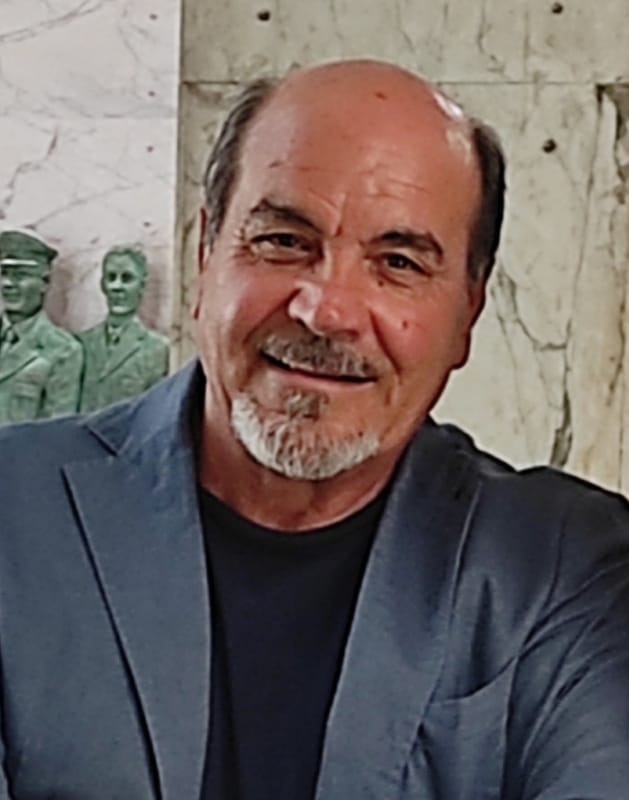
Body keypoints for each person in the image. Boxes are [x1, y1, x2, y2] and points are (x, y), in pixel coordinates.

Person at [0, 59, 627, 800]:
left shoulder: (565, 566)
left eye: (398, 262)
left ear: (468, 313)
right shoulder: (15, 513)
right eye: (282, 242)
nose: (326, 311)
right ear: (206, 257)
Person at [0, 229, 83, 424]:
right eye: (3, 274)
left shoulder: (62, 350)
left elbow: (56, 427)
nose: (8, 284)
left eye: (20, 276)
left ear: (45, 282)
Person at [77, 245, 169, 412]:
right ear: (102, 285)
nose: (117, 286)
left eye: (127, 278)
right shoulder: (82, 343)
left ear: (142, 286)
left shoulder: (157, 349)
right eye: (111, 277)